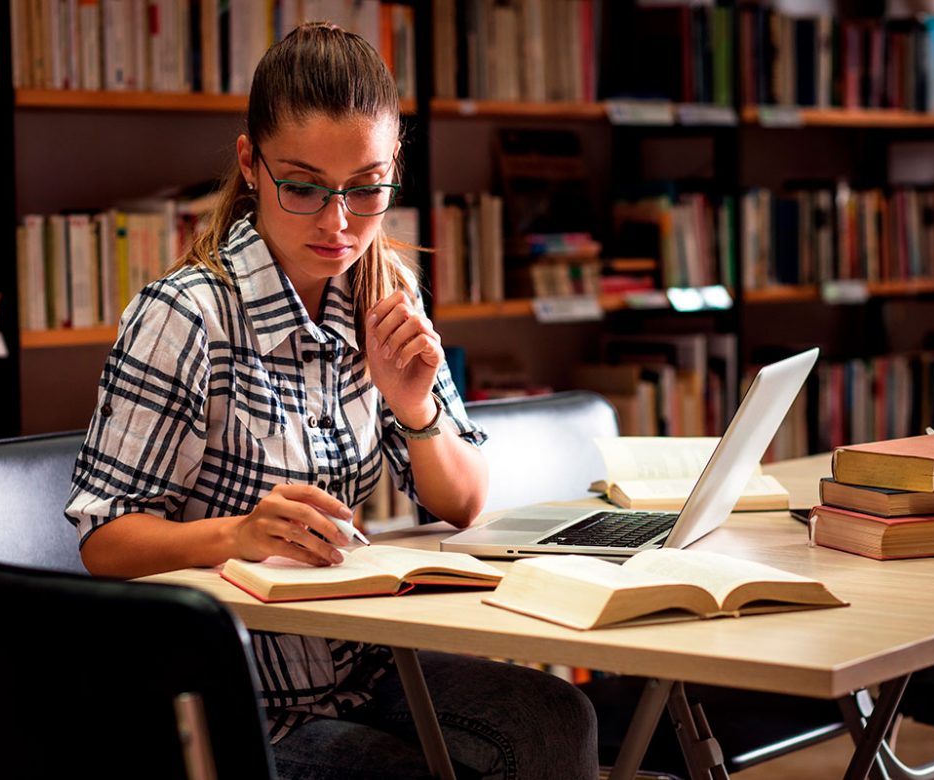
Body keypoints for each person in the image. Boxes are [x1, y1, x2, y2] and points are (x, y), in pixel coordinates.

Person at [65, 22, 598, 780]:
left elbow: (465, 502)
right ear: (250, 163)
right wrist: (237, 535)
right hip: (231, 695)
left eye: (367, 187)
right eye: (306, 186)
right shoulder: (187, 317)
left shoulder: (384, 293)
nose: (339, 221)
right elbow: (103, 540)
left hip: (363, 668)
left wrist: (414, 408)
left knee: (553, 717)